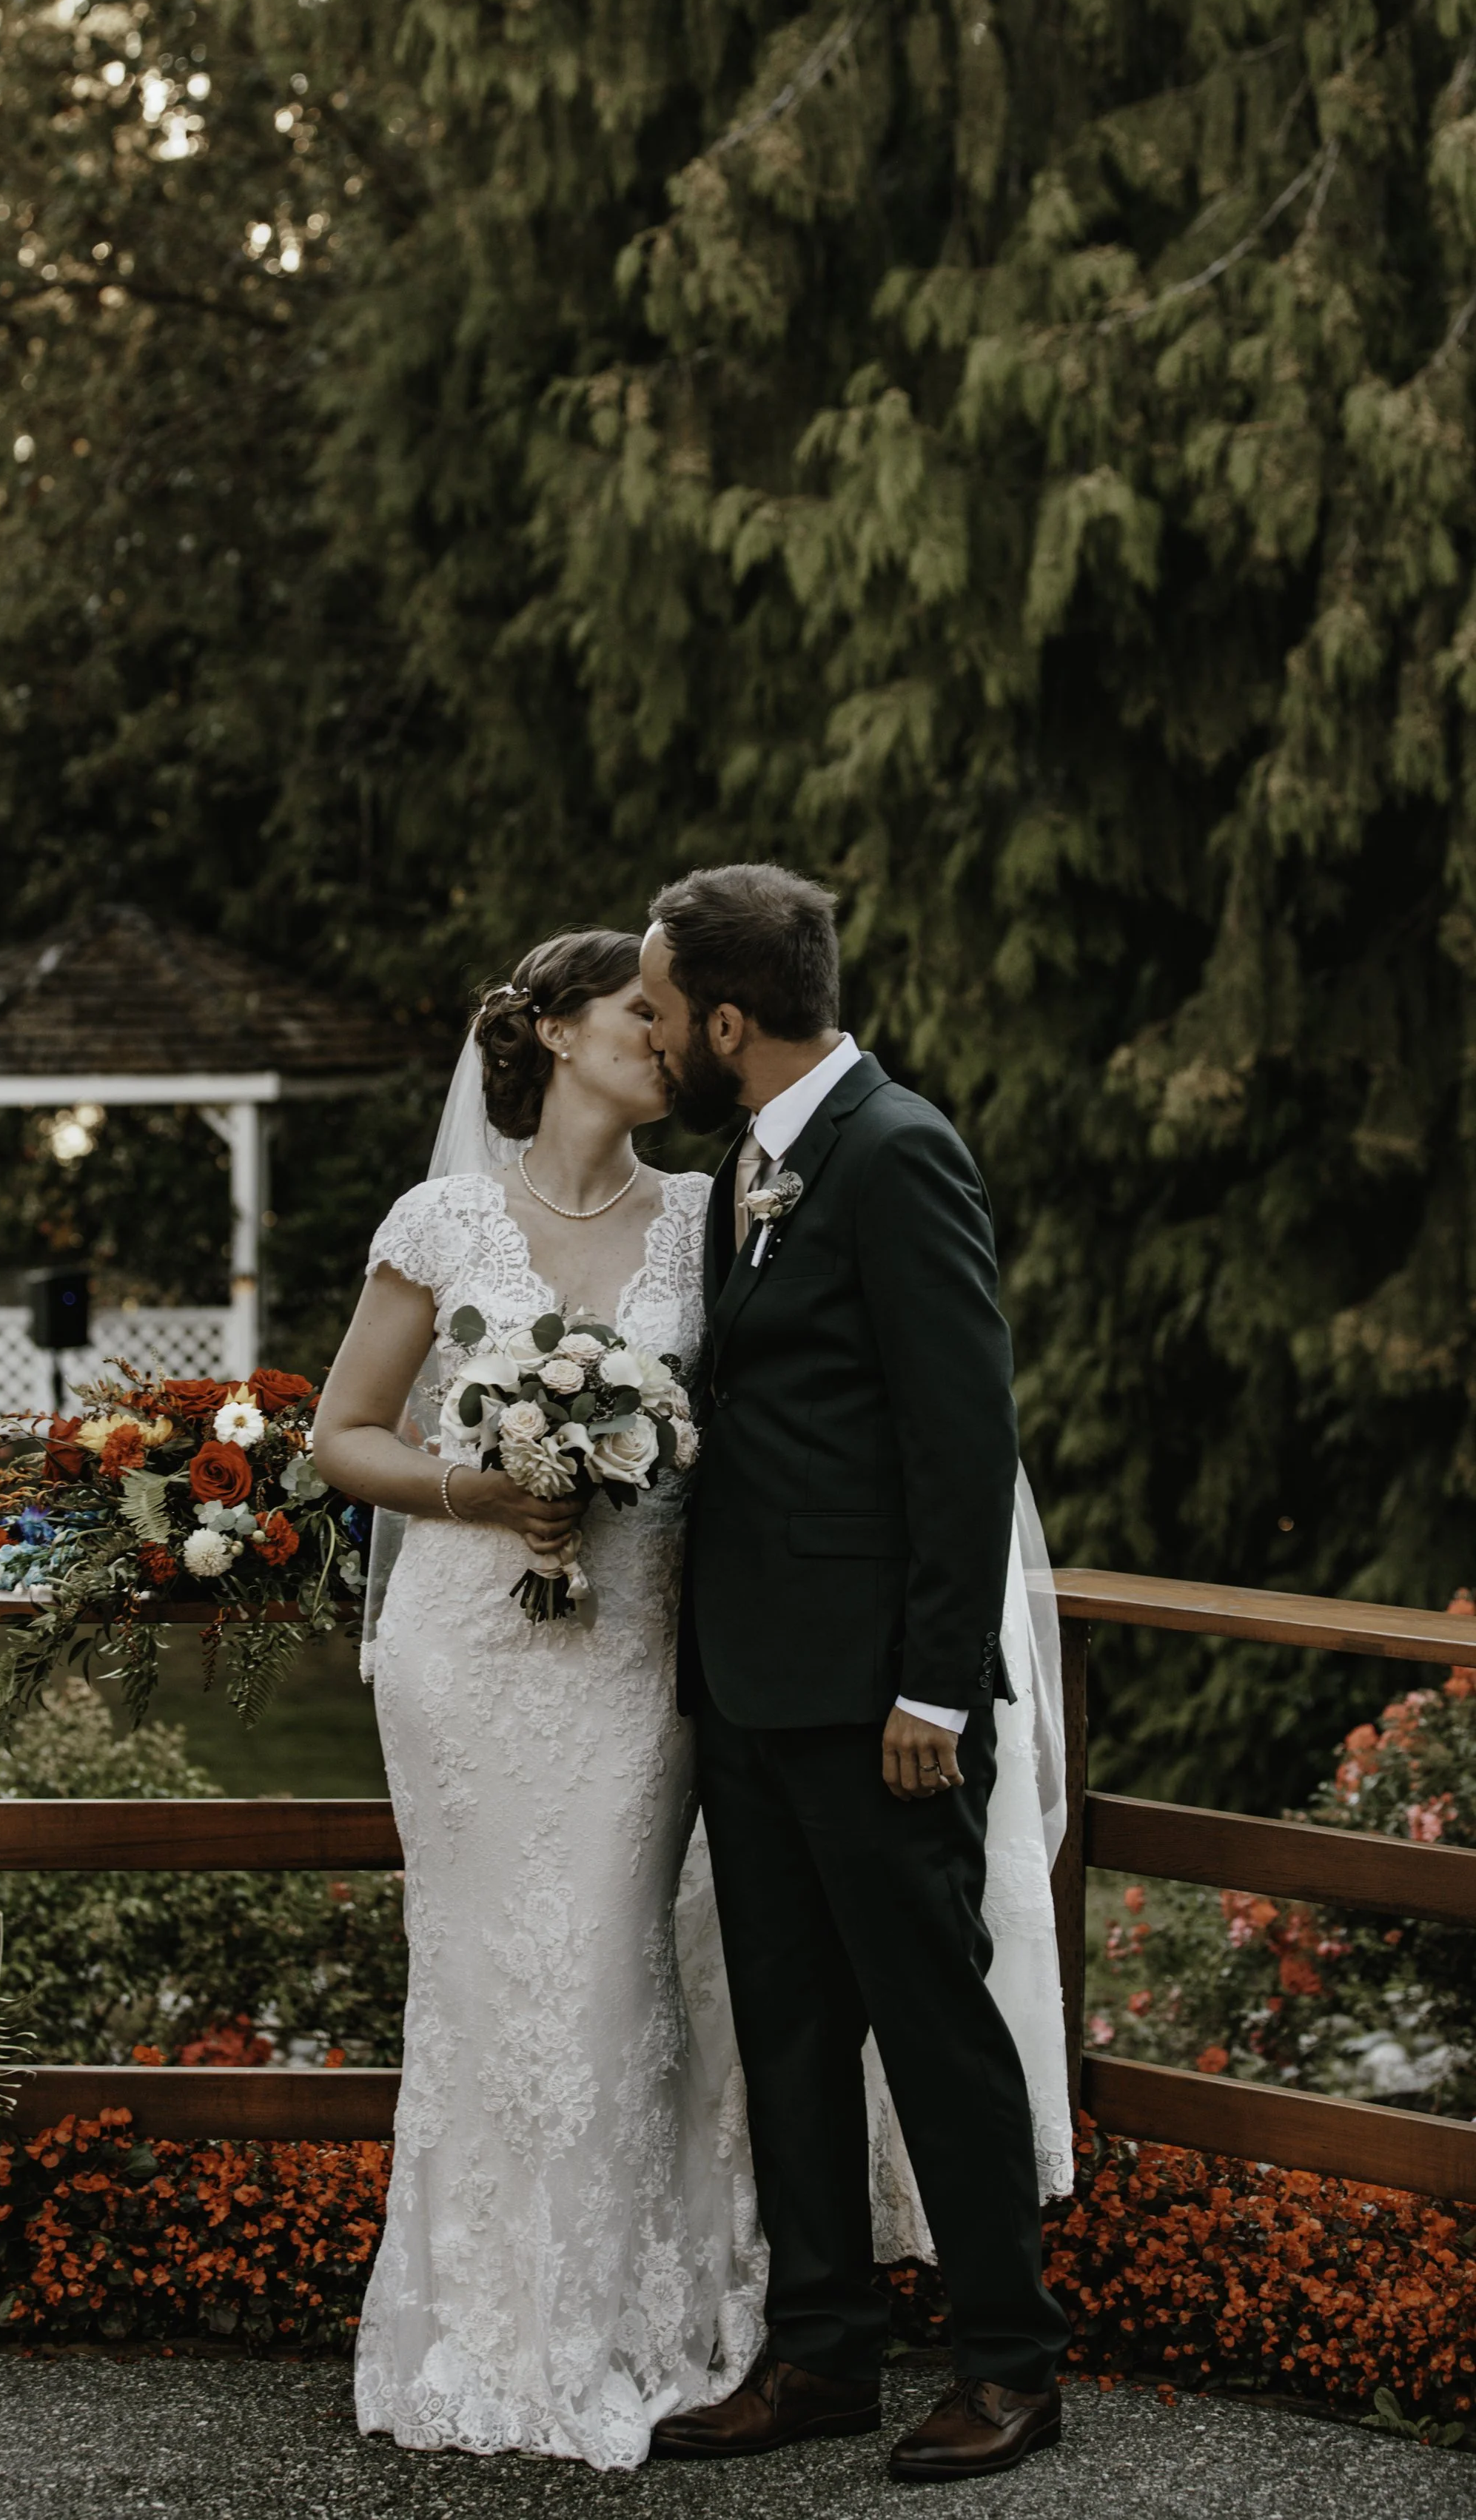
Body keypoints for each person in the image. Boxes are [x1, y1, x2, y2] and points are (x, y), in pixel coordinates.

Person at [310, 928, 767, 2469]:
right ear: (560, 1036)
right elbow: (342, 1438)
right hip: (464, 1656)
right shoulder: (443, 1222)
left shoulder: (709, 1221)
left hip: (635, 1659)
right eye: (642, 1012)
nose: (673, 1036)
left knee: (609, 1970)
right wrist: (483, 1487)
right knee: (485, 1983)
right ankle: (479, 2326)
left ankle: (615, 2322)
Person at [639, 861, 1070, 2484]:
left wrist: (933, 1695)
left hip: (878, 1711)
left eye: (670, 1011)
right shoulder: (749, 1162)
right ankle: (819, 2352)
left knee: (932, 2029)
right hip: (746, 1691)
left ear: (731, 1019)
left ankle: (1011, 2364)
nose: (660, 1035)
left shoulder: (896, 1154)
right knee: (790, 2033)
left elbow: (963, 1447)